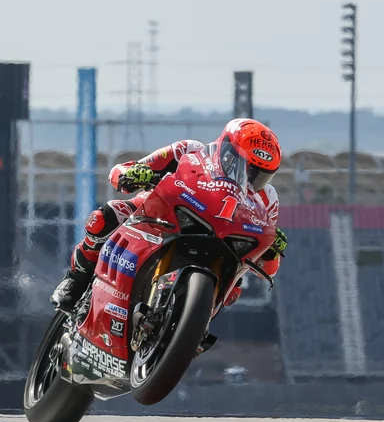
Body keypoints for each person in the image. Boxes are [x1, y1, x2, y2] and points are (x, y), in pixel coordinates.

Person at [50, 118, 289, 313]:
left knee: (233, 291)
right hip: (161, 217)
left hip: (220, 246)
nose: (250, 179)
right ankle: (76, 278)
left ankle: (190, 329)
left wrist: (272, 248)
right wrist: (135, 174)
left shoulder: (268, 199)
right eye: (245, 167)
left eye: (260, 175)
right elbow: (123, 171)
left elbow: (267, 266)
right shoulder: (189, 150)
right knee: (106, 216)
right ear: (225, 150)